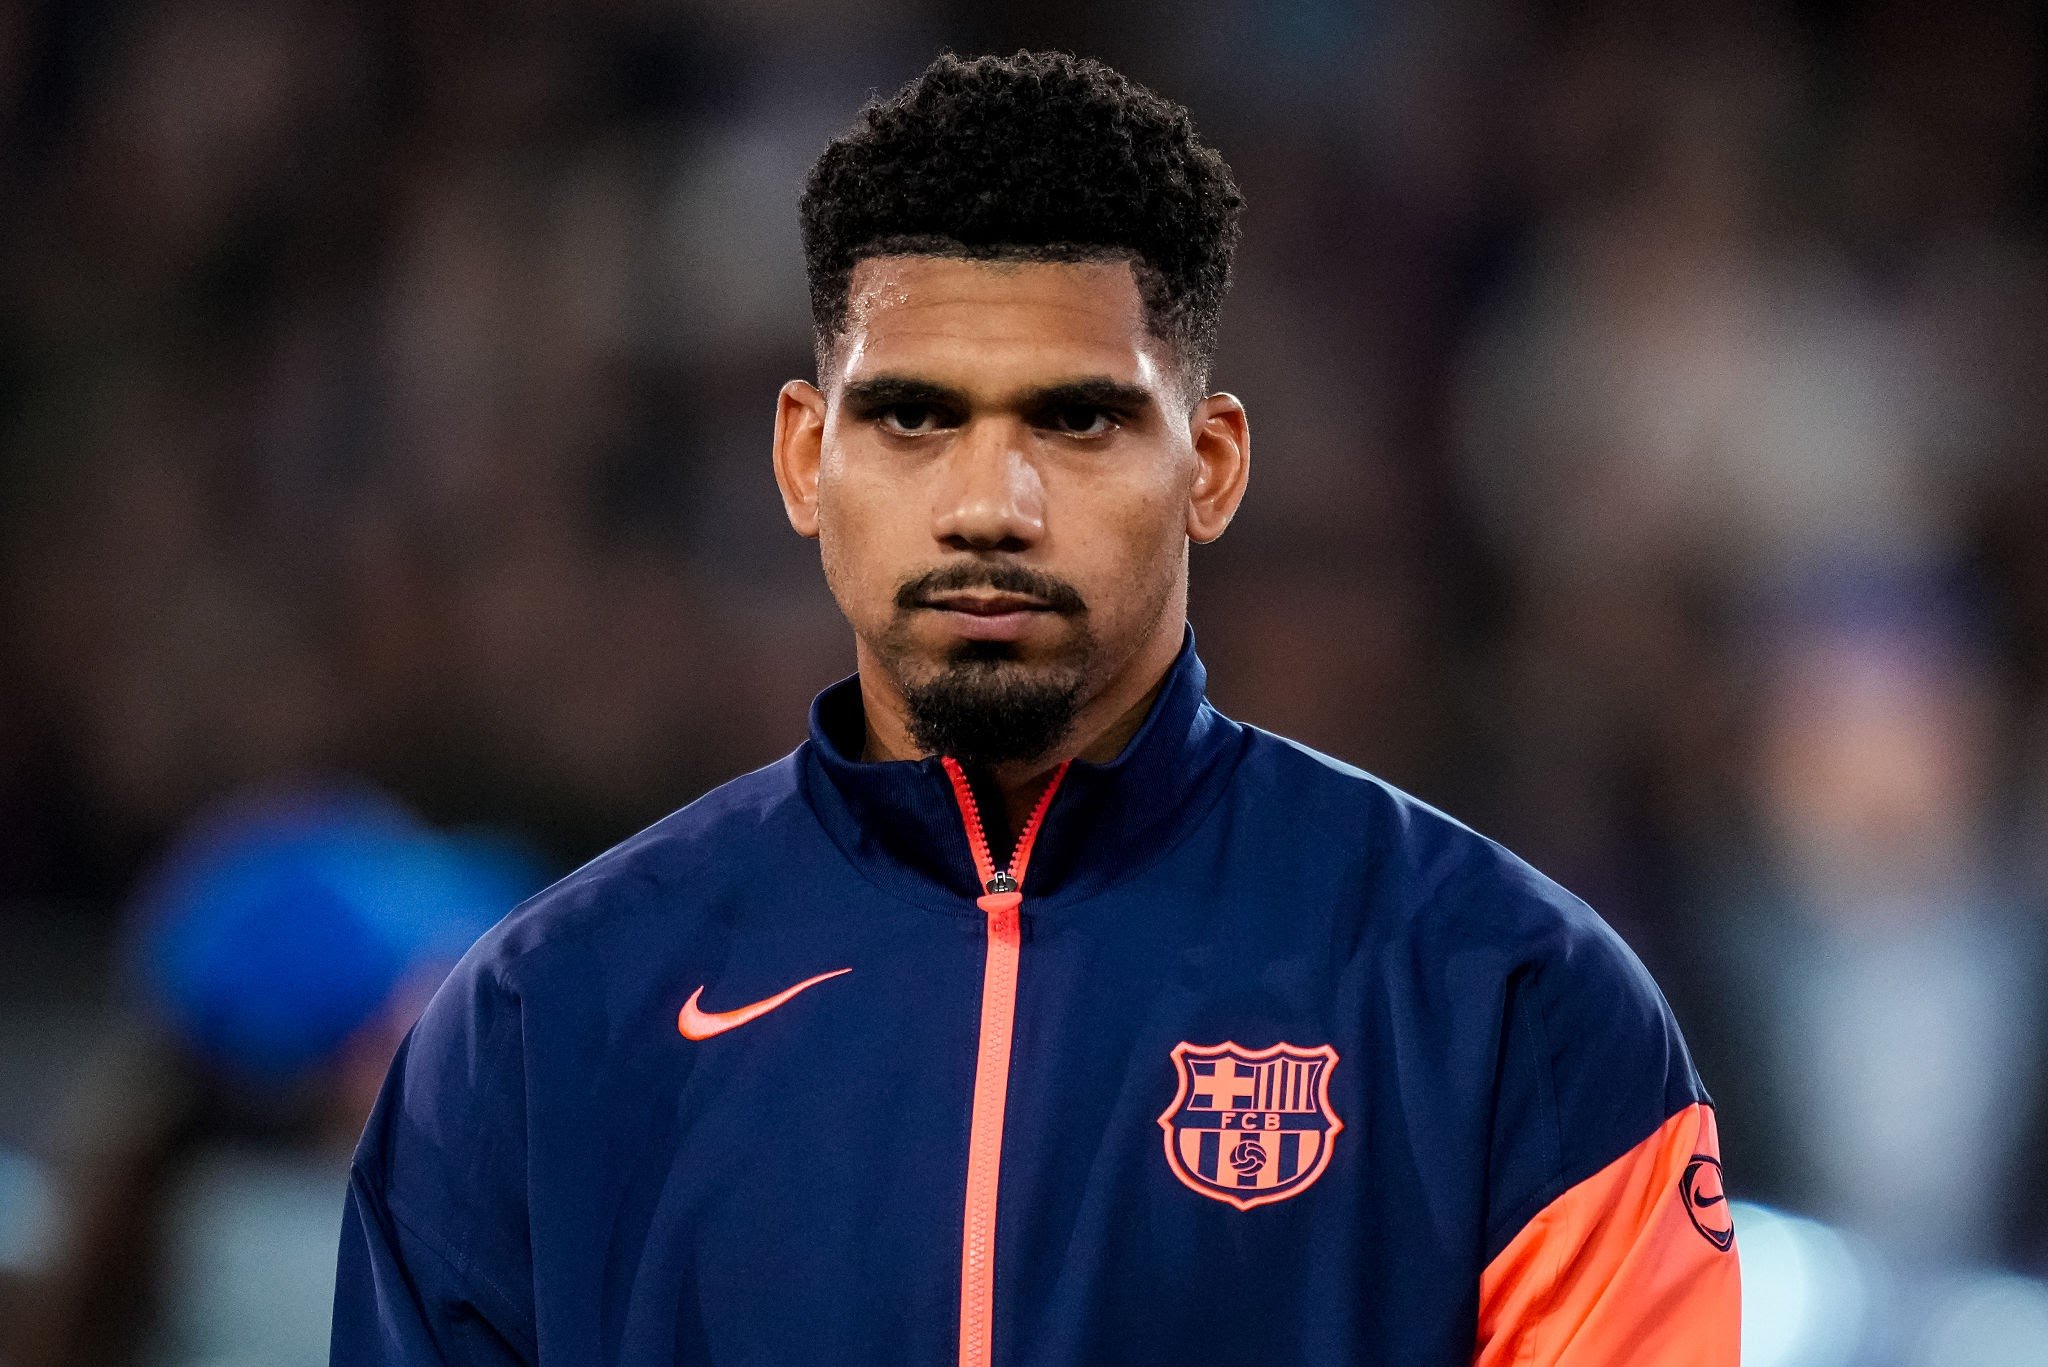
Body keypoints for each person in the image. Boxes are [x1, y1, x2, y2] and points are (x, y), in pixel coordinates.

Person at [332, 50, 1739, 1366]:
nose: (990, 505)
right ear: (806, 458)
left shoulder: (1512, 1002)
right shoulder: (539, 1023)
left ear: (1212, 466)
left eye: (1076, 420)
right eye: (913, 417)